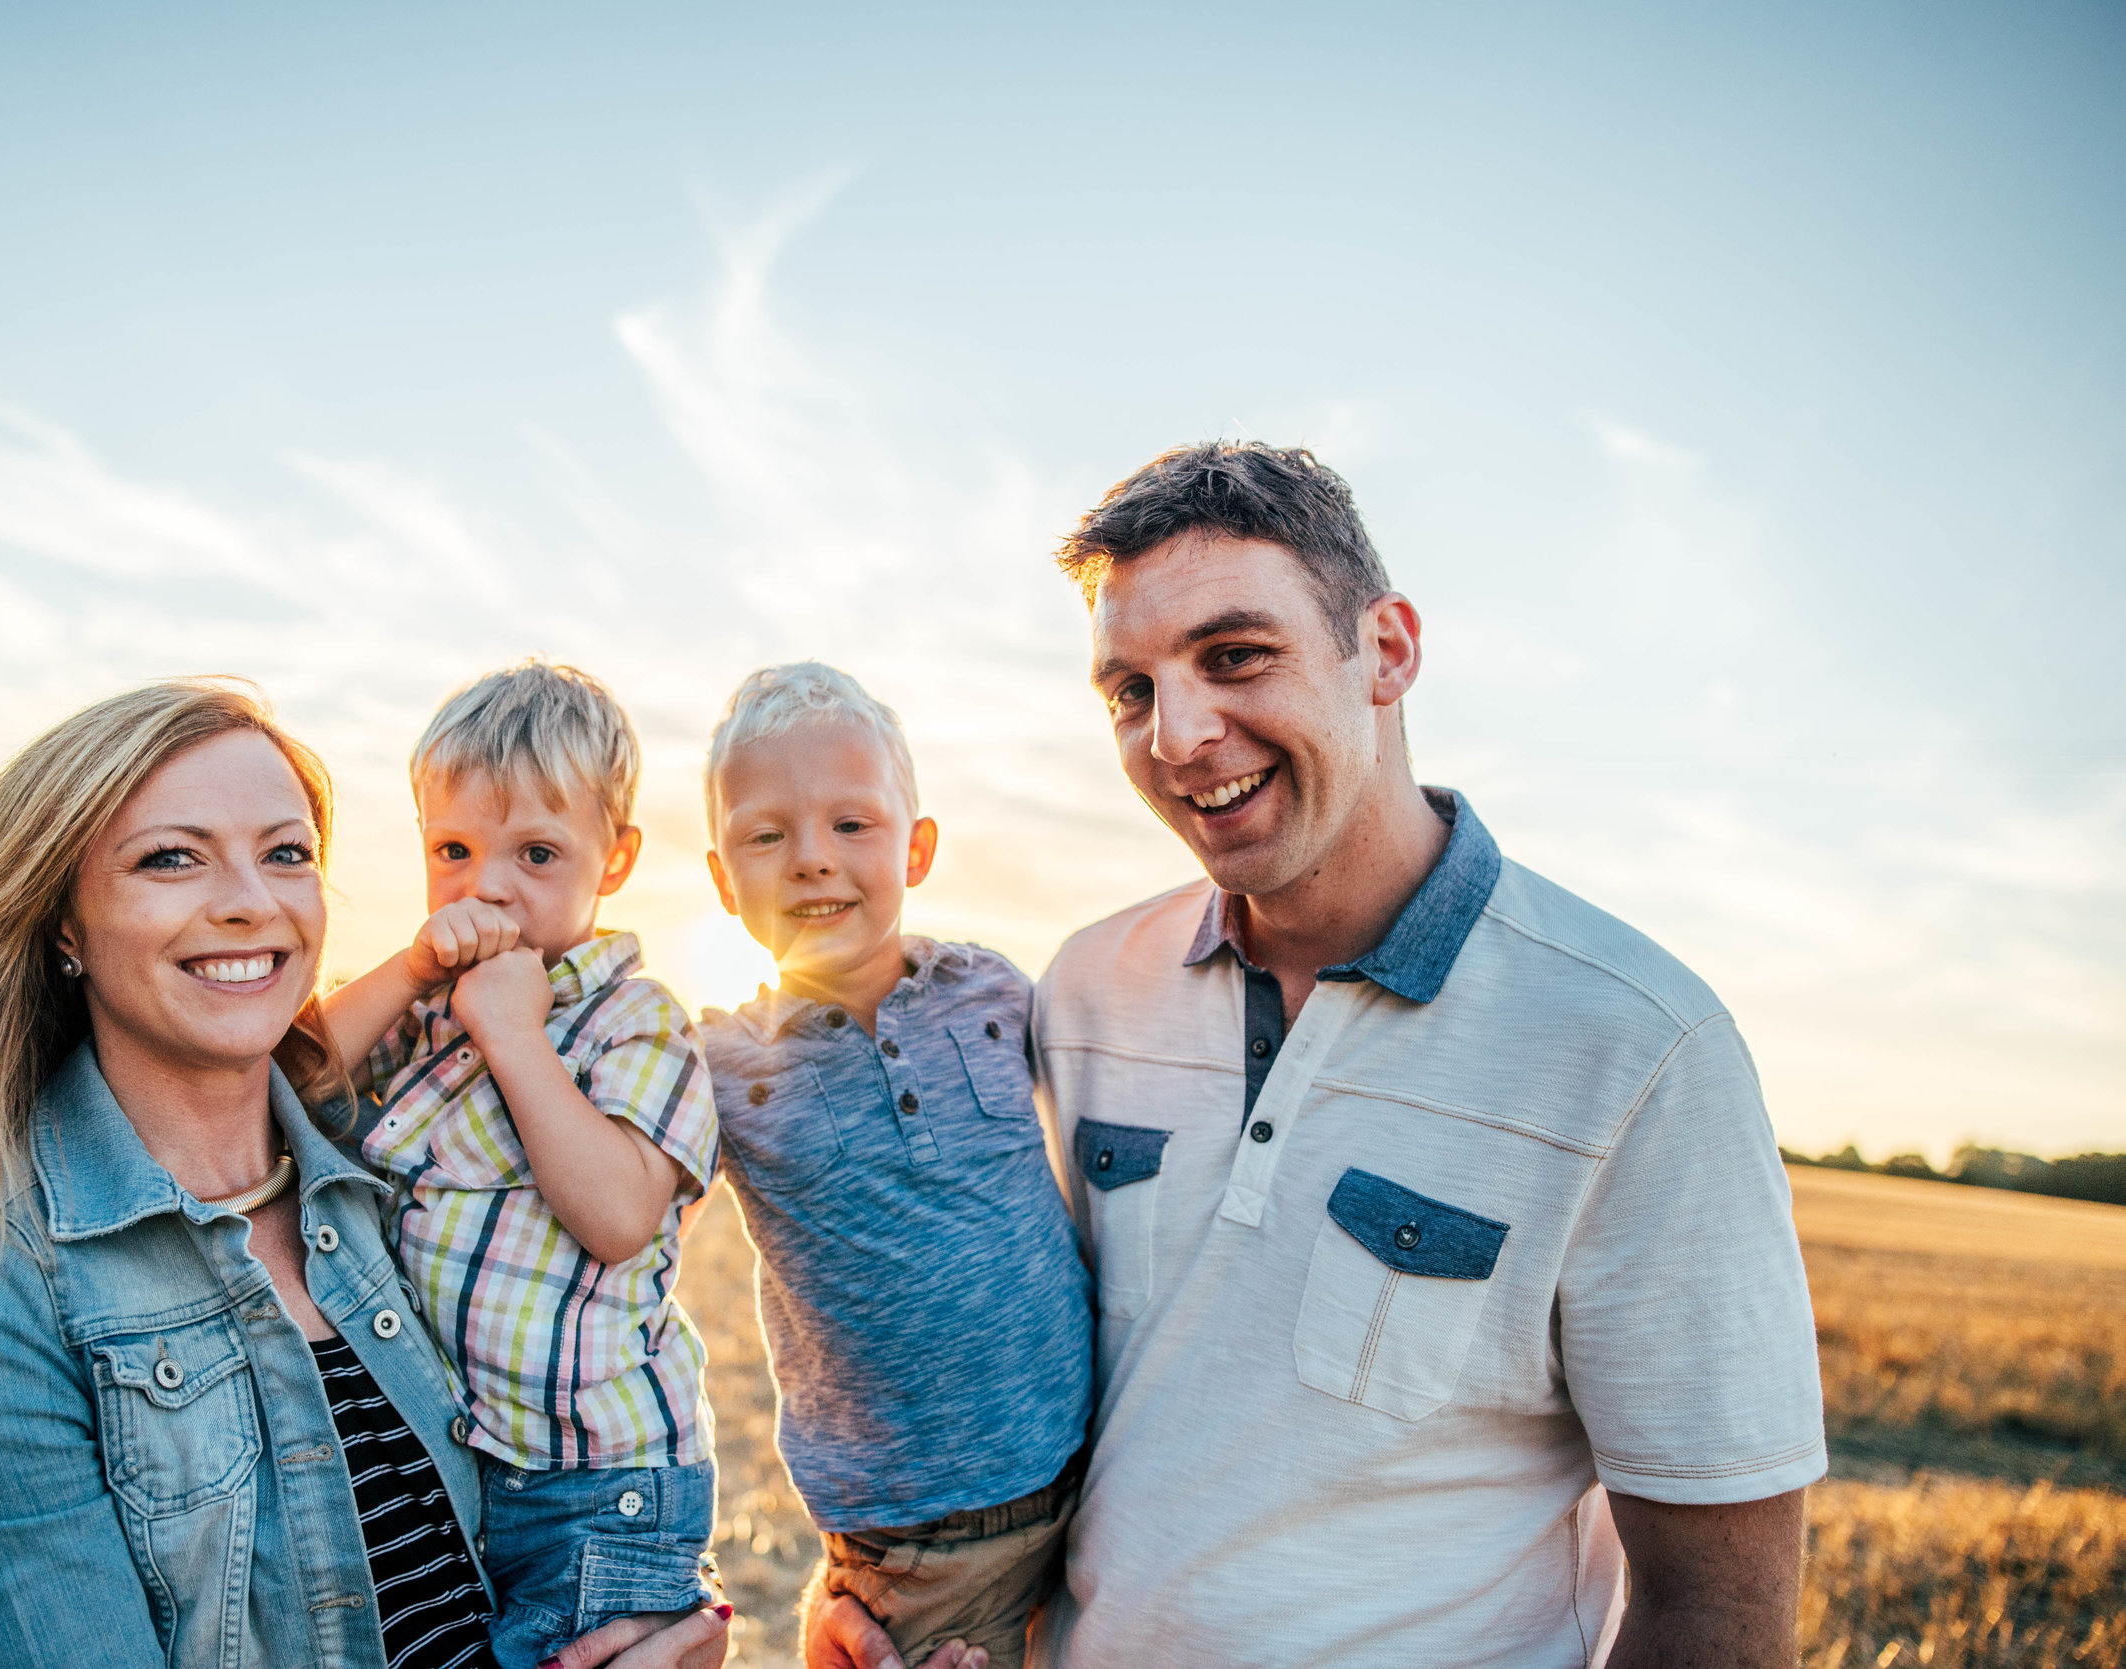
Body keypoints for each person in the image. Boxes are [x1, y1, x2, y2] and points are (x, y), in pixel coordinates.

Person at [809, 443, 1827, 1669]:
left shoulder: (1639, 1048)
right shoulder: (1080, 990)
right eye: (1129, 689)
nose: (1177, 734)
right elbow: (1009, 1357)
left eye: (1234, 656)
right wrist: (907, 1602)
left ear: (1385, 650)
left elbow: (1717, 1607)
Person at [0, 677, 731, 1669]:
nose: (250, 901)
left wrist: (667, 1631)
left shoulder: (367, 1176)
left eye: (286, 853)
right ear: (63, 923)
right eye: (171, 857)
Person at [319, 661, 721, 1669]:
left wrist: (515, 1039)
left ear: (614, 859)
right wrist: (412, 967)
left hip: (600, 1483)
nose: (487, 885)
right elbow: (293, 1080)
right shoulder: (418, 1009)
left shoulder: (636, 1020)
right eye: (452, 850)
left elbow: (621, 1215)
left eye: (537, 852)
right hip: (468, 1464)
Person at [694, 664, 1093, 1669]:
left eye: (851, 826)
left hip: (1097, 1476)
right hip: (918, 1548)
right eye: (766, 834)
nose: (811, 861)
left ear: (915, 848)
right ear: (719, 877)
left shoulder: (994, 991)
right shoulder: (721, 1064)